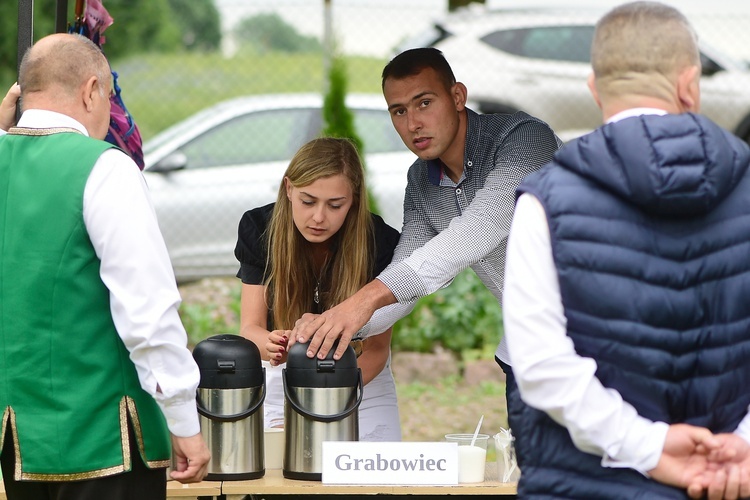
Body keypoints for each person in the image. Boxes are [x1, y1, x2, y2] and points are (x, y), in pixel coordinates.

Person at [502, 2, 750, 498]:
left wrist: (649, 447)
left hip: (583, 485)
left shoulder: (543, 201)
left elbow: (542, 366)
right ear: (689, 83)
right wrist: (742, 444)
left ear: (595, 90)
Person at [0, 33, 210, 500]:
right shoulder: (105, 168)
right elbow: (147, 310)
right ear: (91, 90)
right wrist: (182, 417)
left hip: (16, 441)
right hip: (105, 438)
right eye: (110, 98)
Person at [290, 47, 561, 397]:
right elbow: (407, 279)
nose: (413, 124)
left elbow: (482, 227)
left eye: (424, 103)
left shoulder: (525, 139)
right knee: (525, 454)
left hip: (604, 331)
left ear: (457, 96)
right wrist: (336, 324)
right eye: (398, 111)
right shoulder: (420, 181)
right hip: (527, 348)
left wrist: (360, 302)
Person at [235, 137, 403, 441]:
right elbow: (250, 329)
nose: (318, 217)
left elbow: (377, 350)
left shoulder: (380, 241)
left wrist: (328, 399)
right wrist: (273, 344)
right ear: (288, 189)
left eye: (335, 205)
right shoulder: (258, 228)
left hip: (361, 377)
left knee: (371, 481)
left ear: (353, 200)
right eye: (307, 201)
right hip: (284, 376)